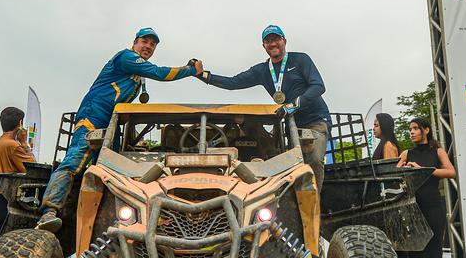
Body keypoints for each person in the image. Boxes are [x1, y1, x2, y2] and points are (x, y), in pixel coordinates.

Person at [38, 28, 202, 231]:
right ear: (135, 42)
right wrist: (191, 70)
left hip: (112, 124)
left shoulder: (137, 75)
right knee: (74, 161)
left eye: (152, 44)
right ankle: (48, 212)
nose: (148, 46)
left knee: (113, 173)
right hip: (93, 116)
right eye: (145, 41)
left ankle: (109, 222)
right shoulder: (127, 57)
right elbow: (159, 73)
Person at [198, 25, 330, 189]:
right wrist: (202, 75)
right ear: (264, 46)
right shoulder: (262, 70)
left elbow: (318, 86)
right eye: (268, 41)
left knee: (314, 160)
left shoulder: (300, 59)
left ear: (284, 41)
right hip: (291, 125)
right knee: (292, 165)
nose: (273, 43)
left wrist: (293, 105)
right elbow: (233, 83)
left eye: (276, 39)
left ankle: (313, 203)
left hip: (315, 120)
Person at [396, 117, 457, 258]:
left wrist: (423, 169)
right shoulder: (406, 153)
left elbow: (451, 172)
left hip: (433, 208)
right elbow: (393, 175)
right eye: (410, 129)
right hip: (412, 209)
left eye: (415, 128)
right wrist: (404, 168)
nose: (412, 132)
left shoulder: (437, 151)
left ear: (426, 130)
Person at [0, 106, 36, 258]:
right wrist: (24, 143)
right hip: (2, 200)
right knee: (0, 254)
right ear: (20, 124)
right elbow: (32, 167)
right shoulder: (12, 145)